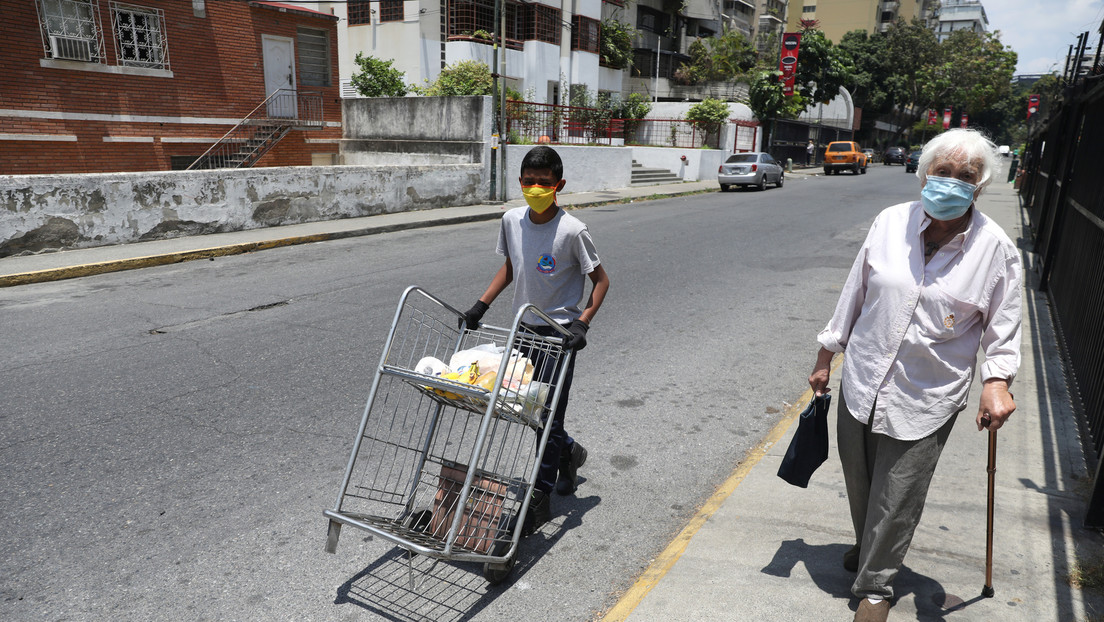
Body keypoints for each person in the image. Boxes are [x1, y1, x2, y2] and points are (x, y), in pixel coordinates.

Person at [808, 129, 1021, 622]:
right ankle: (868, 546)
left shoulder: (996, 249)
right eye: (942, 171)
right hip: (863, 379)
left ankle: (875, 587)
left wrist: (996, 383)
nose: (951, 181)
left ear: (980, 186)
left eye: (965, 175)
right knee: (860, 480)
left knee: (898, 495)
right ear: (924, 175)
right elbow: (855, 292)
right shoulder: (890, 222)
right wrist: (825, 355)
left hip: (928, 393)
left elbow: (1004, 328)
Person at [461, 145, 610, 534]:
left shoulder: (573, 231)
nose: (536, 188)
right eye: (529, 181)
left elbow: (601, 281)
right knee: (530, 411)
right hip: (522, 331)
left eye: (544, 182)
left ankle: (541, 496)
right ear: (520, 182)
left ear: (559, 185)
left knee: (547, 415)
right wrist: (480, 306)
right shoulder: (511, 220)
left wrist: (582, 323)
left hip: (559, 336)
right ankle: (569, 452)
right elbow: (512, 266)